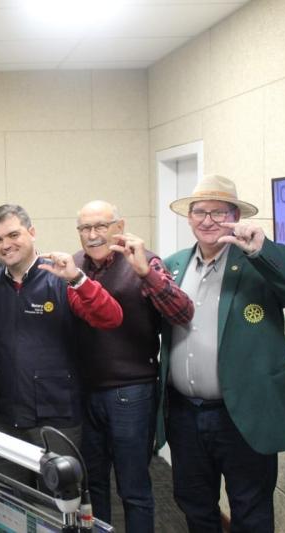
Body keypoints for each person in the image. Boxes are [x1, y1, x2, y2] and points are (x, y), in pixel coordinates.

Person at [157, 174, 285, 532]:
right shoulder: (173, 266)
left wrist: (262, 251)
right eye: (200, 211)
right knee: (194, 504)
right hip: (185, 414)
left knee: (251, 510)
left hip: (243, 414)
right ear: (189, 217)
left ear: (235, 216)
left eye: (219, 212)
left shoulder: (258, 262)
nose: (208, 220)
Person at [0, 204, 123, 490]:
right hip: (6, 417)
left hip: (57, 416)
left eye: (13, 235)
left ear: (32, 232)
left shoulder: (62, 277)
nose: (6, 245)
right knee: (9, 502)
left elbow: (111, 318)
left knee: (59, 502)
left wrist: (78, 279)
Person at [71, 201, 194, 532]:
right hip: (86, 392)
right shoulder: (74, 264)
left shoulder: (145, 260)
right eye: (85, 228)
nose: (93, 235)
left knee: (133, 487)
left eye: (101, 226)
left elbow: (182, 313)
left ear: (119, 226)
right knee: (93, 486)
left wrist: (146, 273)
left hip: (132, 392)